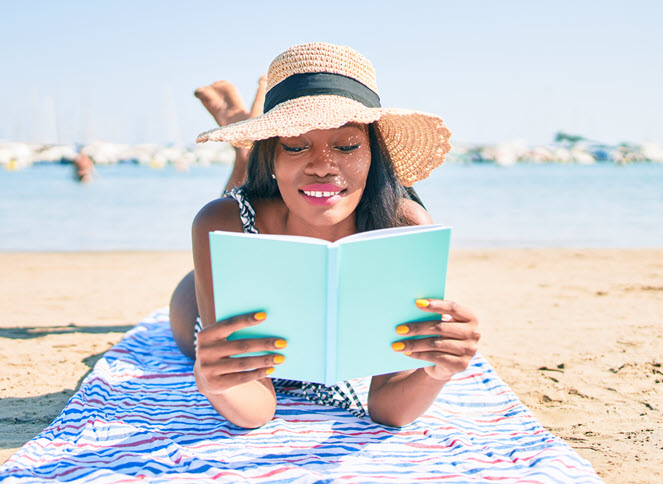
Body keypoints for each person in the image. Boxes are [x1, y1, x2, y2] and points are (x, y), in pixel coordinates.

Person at [170, 42, 480, 429]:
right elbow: (255, 411)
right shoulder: (221, 222)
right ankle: (244, 151)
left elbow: (390, 409)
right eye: (296, 145)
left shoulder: (403, 226)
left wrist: (438, 371)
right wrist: (214, 383)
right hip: (193, 309)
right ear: (275, 157)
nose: (323, 165)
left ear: (373, 155)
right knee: (231, 214)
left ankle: (243, 135)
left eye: (347, 144)